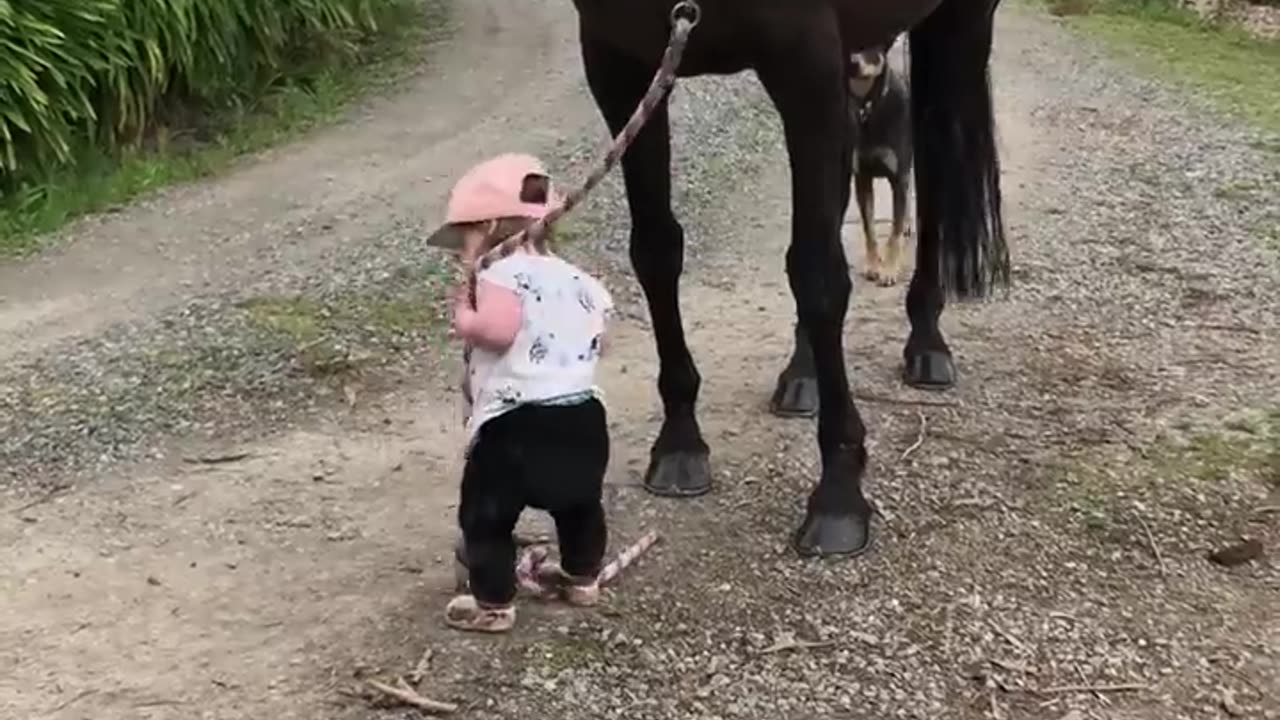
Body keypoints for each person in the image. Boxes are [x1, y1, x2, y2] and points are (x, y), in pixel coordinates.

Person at [425, 153, 614, 633]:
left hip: (517, 421)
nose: (461, 257)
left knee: (487, 515)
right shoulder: (581, 280)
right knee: (580, 503)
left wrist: (463, 317)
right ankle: (582, 576)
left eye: (463, 243)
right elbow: (600, 337)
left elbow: (499, 329)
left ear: (487, 226)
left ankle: (492, 603)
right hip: (582, 413)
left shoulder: (496, 276)